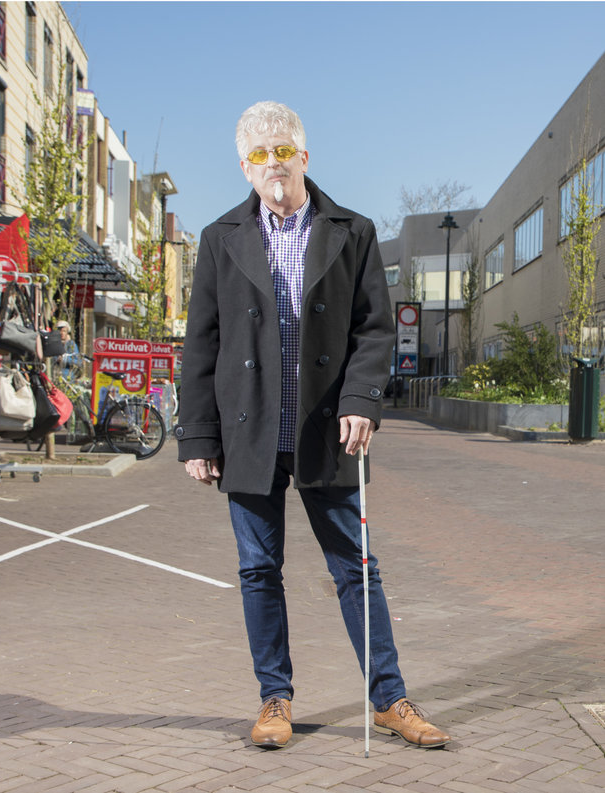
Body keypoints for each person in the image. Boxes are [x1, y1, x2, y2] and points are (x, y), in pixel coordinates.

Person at [175, 101, 450, 750]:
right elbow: (201, 346)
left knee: (357, 568)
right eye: (259, 155)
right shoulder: (220, 239)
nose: (274, 164)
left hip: (329, 429)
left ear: (304, 155)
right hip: (251, 432)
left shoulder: (352, 231)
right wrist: (197, 437)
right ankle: (275, 699)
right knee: (257, 569)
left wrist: (362, 398)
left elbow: (373, 329)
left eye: (283, 150)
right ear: (244, 167)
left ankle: (390, 699)